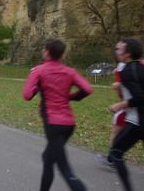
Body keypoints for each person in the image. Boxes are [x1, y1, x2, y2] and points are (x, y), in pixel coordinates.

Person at [22, 39, 92, 191]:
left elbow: (27, 95)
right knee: (48, 159)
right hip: (69, 124)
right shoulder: (69, 71)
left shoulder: (39, 70)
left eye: (43, 49)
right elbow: (87, 89)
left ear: (47, 51)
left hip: (53, 124)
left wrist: (37, 88)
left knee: (65, 170)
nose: (42, 51)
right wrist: (71, 97)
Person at [107, 39, 144, 191]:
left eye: (120, 50)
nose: (117, 52)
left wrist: (120, 105)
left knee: (115, 153)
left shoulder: (127, 71)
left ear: (127, 54)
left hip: (136, 122)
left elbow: (139, 97)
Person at [97, 61, 129, 167]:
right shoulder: (134, 67)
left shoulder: (127, 70)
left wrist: (118, 85)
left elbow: (128, 87)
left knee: (116, 132)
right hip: (128, 106)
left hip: (128, 107)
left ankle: (113, 159)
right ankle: (113, 158)